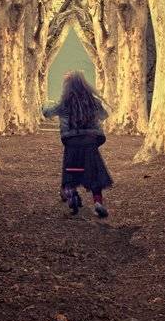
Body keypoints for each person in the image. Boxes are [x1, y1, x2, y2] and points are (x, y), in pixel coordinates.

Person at [43, 71, 113, 218]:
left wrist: (46, 105)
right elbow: (104, 115)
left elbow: (47, 113)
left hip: (72, 142)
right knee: (94, 174)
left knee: (71, 171)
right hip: (90, 141)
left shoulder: (64, 103)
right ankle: (98, 203)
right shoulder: (93, 101)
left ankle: (71, 195)